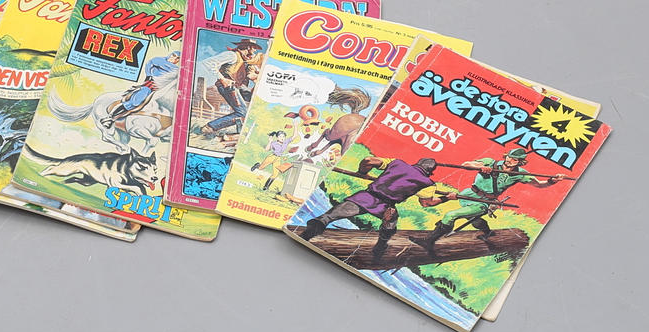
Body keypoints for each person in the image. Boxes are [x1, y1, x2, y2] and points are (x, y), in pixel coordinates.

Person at [301, 156, 454, 258]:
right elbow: (427, 203)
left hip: (366, 197)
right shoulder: (427, 183)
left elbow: (368, 160)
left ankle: (312, 230)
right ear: (430, 171)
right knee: (390, 226)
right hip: (386, 207)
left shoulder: (397, 163)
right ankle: (379, 247)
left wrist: (362, 172)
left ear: (418, 163)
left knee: (328, 217)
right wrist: (446, 198)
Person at [424, 148, 560, 249]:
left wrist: (552, 181)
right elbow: (466, 164)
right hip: (469, 194)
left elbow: (539, 185)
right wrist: (481, 167)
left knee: (451, 215)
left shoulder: (520, 174)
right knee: (475, 220)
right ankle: (487, 232)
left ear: (520, 162)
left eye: (514, 160)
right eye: (509, 157)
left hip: (484, 202)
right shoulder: (490, 162)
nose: (509, 161)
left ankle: (428, 242)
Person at [197, 40, 263, 136]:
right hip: (228, 87)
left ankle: (242, 132)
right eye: (254, 48)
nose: (255, 50)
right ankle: (210, 127)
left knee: (256, 103)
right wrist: (222, 79)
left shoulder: (244, 60)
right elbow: (209, 63)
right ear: (248, 47)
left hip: (236, 87)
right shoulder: (232, 55)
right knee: (242, 113)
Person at [104, 51, 180, 125]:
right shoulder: (159, 60)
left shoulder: (176, 69)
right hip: (150, 85)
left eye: (178, 58)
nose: (175, 59)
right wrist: (148, 75)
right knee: (136, 101)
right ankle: (110, 117)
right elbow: (150, 63)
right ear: (170, 55)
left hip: (162, 89)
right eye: (174, 56)